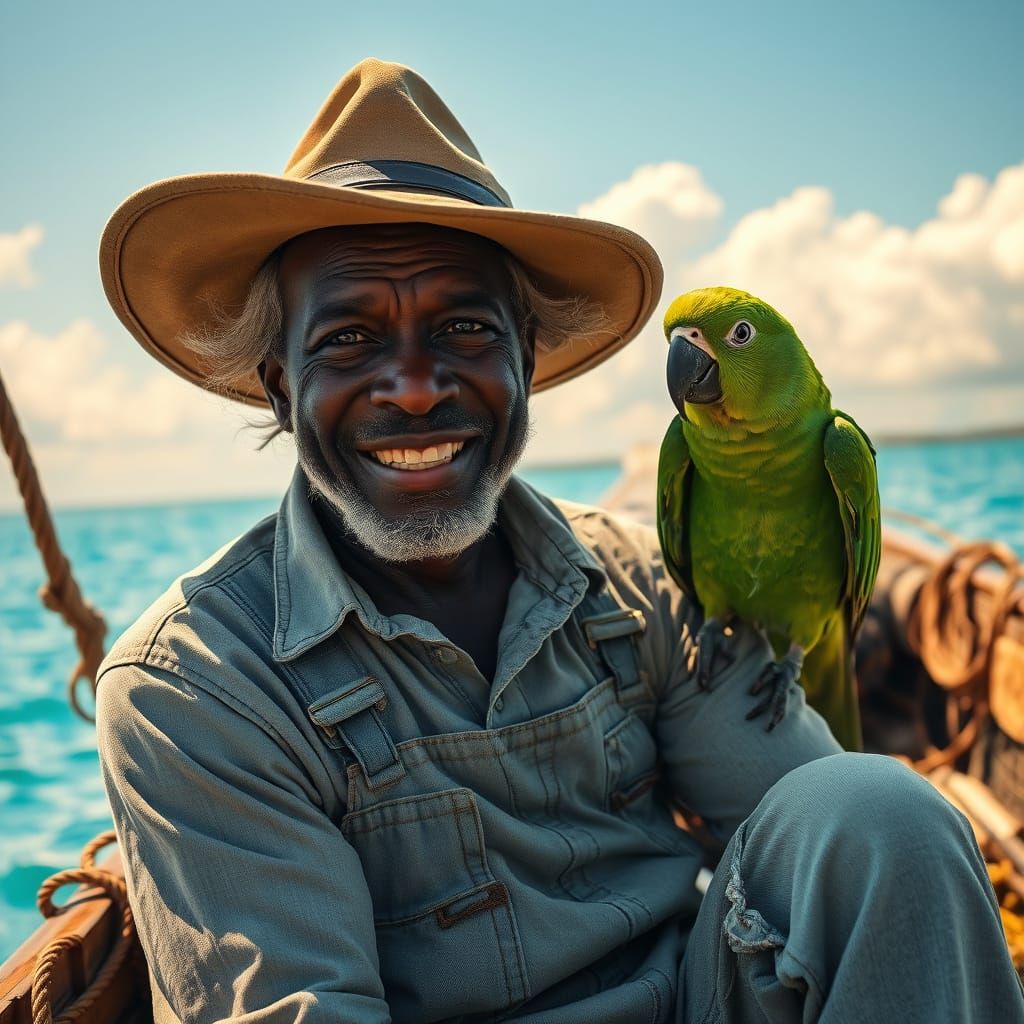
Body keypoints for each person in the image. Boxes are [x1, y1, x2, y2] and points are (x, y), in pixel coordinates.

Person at [95, 58, 1023, 1024]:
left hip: (695, 1001)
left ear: (525, 365)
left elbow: (826, 823)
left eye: (463, 328)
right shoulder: (194, 689)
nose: (415, 388)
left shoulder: (639, 586)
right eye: (348, 341)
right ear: (283, 390)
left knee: (886, 814)